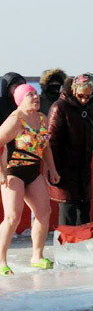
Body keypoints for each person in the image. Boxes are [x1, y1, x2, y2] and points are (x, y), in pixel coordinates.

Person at [0, 84, 59, 276]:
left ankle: (37, 256)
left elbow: (46, 146)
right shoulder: (15, 120)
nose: (35, 97)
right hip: (13, 171)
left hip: (34, 171)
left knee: (44, 212)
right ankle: (1, 260)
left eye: (35, 93)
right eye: (30, 94)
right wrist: (1, 173)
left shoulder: (41, 118)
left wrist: (52, 168)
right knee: (12, 217)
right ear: (20, 100)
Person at [48, 74, 93, 226]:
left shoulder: (92, 106)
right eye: (81, 96)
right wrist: (52, 170)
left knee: (84, 211)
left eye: (88, 96)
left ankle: (83, 247)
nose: (84, 100)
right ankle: (66, 247)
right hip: (64, 169)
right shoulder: (59, 107)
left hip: (83, 168)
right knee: (68, 212)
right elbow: (51, 143)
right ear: (74, 91)